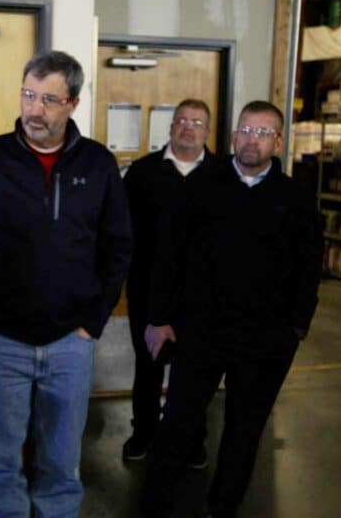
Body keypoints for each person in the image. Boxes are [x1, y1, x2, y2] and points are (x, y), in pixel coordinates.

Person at [0, 50, 132, 517]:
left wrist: (92, 323)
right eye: (29, 94)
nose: (34, 109)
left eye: (49, 99)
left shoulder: (98, 165)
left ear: (72, 102)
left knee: (61, 469)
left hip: (71, 344)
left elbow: (118, 248)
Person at [141, 101, 322, 518]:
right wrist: (159, 318)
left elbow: (310, 265)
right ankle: (153, 508)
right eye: (245, 130)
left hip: (266, 340)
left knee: (244, 432)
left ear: (277, 142)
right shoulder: (200, 185)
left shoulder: (294, 197)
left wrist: (297, 326)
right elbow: (168, 255)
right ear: (233, 134)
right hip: (199, 333)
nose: (251, 140)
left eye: (263, 133)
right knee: (178, 426)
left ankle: (223, 508)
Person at [122, 98, 218, 464]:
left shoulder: (221, 175)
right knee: (148, 367)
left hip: (203, 297)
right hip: (147, 290)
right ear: (171, 126)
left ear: (207, 131)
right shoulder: (142, 174)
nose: (188, 127)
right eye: (181, 120)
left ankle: (192, 439)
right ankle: (143, 434)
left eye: (196, 122)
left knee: (195, 371)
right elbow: (124, 234)